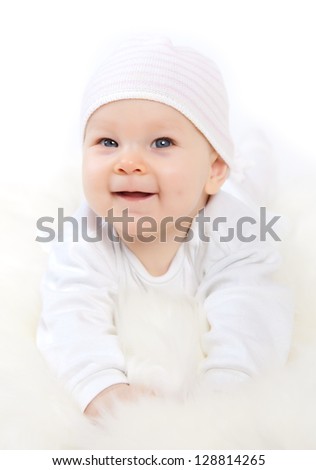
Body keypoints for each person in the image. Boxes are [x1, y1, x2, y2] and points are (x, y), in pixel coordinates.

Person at [36, 35, 293, 419]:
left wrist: (228, 388)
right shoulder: (84, 233)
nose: (129, 163)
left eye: (160, 142)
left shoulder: (236, 230)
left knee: (257, 174)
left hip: (235, 187)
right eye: (107, 141)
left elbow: (252, 311)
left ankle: (246, 145)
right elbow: (68, 314)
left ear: (212, 171)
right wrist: (100, 386)